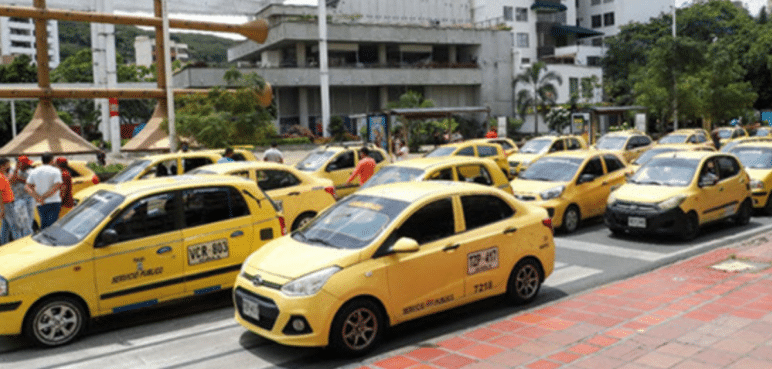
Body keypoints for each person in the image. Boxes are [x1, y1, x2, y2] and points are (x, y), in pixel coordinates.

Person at [25, 153, 63, 230]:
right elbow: (57, 186)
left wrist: (38, 198)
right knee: (52, 226)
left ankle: (43, 240)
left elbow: (27, 187)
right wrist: (43, 197)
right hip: (53, 201)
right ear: (52, 160)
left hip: (40, 203)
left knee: (44, 223)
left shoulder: (34, 171)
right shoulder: (56, 171)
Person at [9, 155, 34, 239]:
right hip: (18, 199)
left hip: (29, 198)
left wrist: (21, 179)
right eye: (26, 164)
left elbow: (32, 183)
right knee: (22, 222)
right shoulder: (12, 170)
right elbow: (12, 181)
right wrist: (17, 170)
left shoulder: (30, 171)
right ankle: (25, 239)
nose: (28, 165)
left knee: (30, 220)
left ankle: (27, 238)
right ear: (21, 164)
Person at [0, 158, 14, 245]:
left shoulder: (3, 175)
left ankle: (4, 244)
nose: (9, 166)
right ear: (3, 165)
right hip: (6, 204)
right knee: (12, 225)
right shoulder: (1, 177)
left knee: (6, 226)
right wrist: (2, 208)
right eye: (8, 164)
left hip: (7, 204)